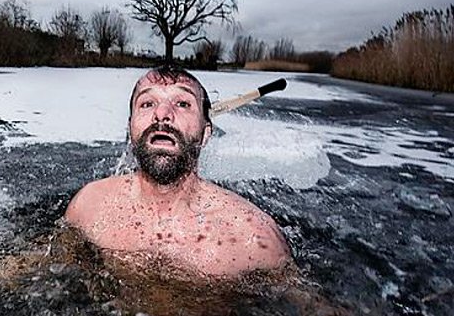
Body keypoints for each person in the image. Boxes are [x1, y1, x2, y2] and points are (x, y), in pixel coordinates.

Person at [64, 65, 291, 278]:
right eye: (147, 103)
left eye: (182, 103)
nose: (162, 113)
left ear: (205, 133)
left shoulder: (253, 240)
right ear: (130, 128)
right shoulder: (88, 207)